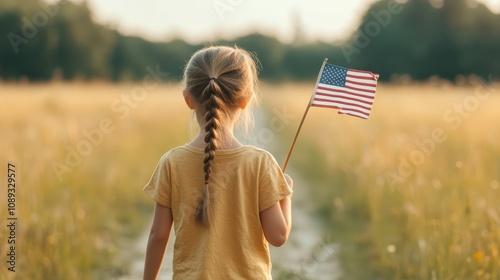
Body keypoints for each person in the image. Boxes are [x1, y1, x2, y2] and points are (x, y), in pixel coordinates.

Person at [142, 45, 293, 280]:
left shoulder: (171, 162)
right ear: (245, 100)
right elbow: (278, 236)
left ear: (188, 99)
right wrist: (286, 194)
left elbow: (158, 235)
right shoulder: (261, 164)